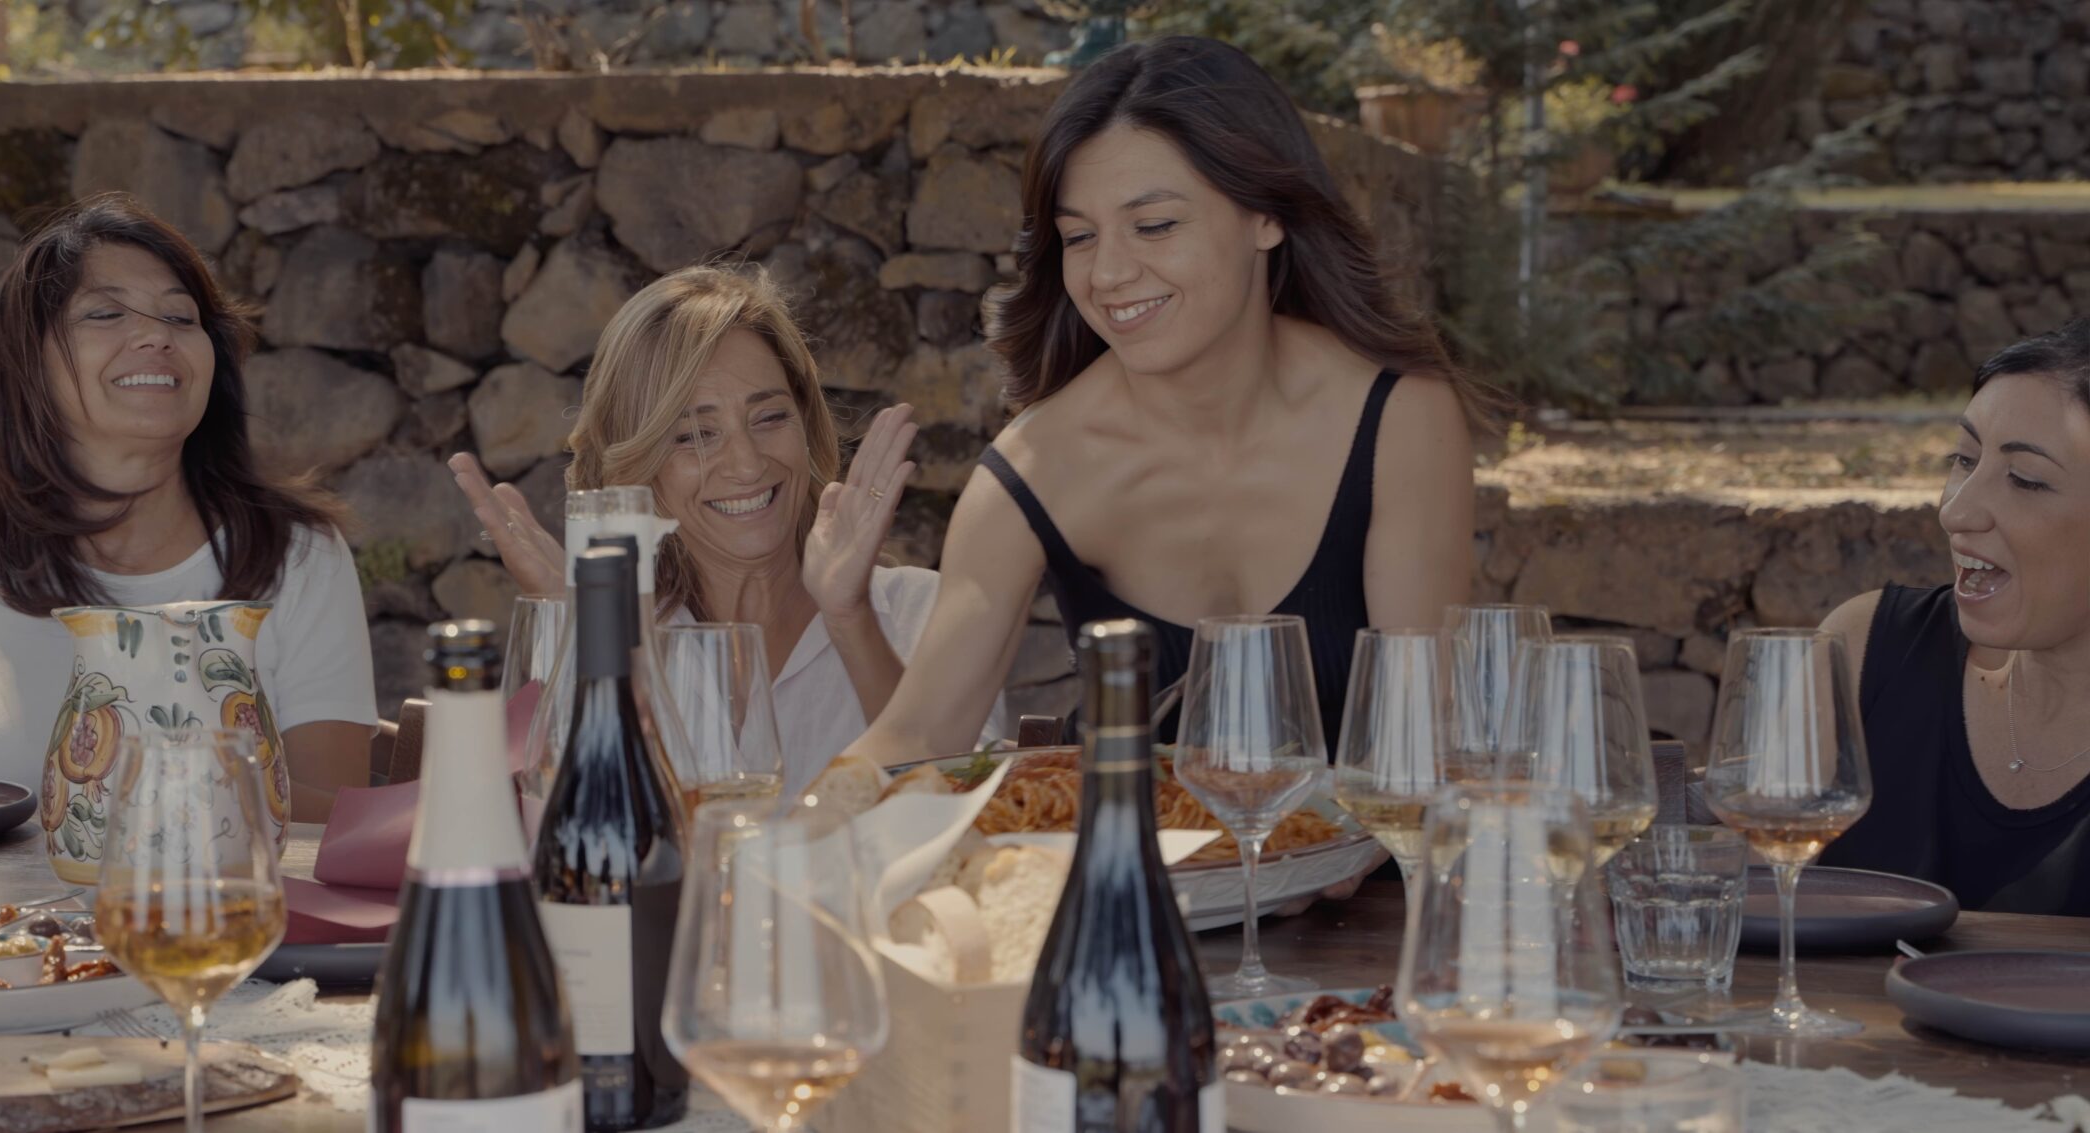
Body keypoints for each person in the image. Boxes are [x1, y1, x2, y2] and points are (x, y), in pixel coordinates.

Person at [841, 36, 1481, 767]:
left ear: (1266, 215)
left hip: (1358, 846)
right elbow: (919, 735)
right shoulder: (1033, 470)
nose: (1107, 273)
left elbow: (1418, 737)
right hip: (1110, 840)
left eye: (1155, 225)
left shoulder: (1399, 416)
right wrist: (775, 826)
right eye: (1079, 236)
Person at [0, 194, 377, 822]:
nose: (157, 336)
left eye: (181, 317)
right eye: (106, 313)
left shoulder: (296, 553)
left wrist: (151, 773)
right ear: (31, 361)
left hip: (219, 893)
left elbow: (330, 825)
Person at [451, 263, 1003, 787]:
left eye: (769, 417)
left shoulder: (921, 613)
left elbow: (981, 814)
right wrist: (597, 639)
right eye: (694, 435)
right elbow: (588, 828)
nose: (747, 464)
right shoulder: (608, 636)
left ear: (806, 424)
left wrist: (850, 618)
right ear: (637, 466)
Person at [1818, 318, 2090, 917]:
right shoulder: (1859, 653)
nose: (1955, 511)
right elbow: (1729, 919)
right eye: (1964, 459)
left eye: (2025, 480)